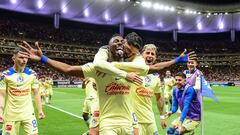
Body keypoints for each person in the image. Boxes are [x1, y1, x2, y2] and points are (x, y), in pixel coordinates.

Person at [0, 48, 45, 135]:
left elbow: (36, 93)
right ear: (14, 58)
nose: (24, 60)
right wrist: (0, 113)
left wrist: (40, 110)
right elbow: (1, 96)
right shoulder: (5, 75)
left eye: (26, 58)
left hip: (28, 114)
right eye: (21, 57)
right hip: (11, 115)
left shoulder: (33, 74)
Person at [133, 44, 166, 135]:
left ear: (155, 57)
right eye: (147, 53)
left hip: (150, 119)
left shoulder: (156, 76)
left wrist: (162, 116)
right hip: (135, 121)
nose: (150, 55)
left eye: (153, 54)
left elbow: (159, 97)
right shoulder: (132, 69)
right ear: (141, 55)